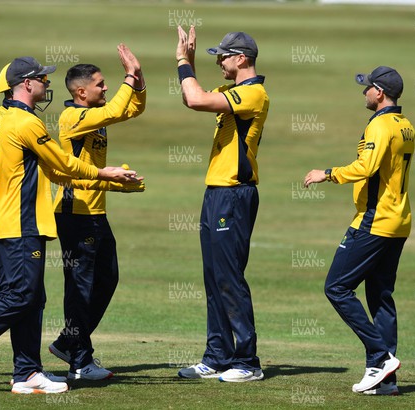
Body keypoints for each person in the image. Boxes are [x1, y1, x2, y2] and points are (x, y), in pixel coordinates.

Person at [0, 56, 139, 394]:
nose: (47, 84)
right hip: (16, 223)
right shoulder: (27, 124)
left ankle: (27, 373)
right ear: (26, 84)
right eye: (42, 79)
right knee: (20, 295)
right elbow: (61, 165)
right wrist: (105, 174)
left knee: (30, 298)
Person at [304, 66, 415, 396]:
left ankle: (380, 358)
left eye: (367, 88)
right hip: (399, 222)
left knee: (337, 287)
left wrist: (327, 173)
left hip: (374, 222)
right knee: (380, 297)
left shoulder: (379, 126)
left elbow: (366, 167)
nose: (363, 92)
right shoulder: (406, 125)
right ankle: (386, 380)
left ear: (379, 93)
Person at [174, 26, 269, 383]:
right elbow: (191, 97)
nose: (220, 62)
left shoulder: (254, 94)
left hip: (234, 193)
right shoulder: (234, 91)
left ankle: (247, 360)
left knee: (229, 278)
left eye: (223, 56)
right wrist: (190, 62)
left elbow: (197, 100)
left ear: (241, 58)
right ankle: (217, 355)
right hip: (216, 192)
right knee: (213, 278)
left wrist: (184, 61)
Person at [48, 43, 146, 381]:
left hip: (94, 212)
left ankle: (67, 342)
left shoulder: (95, 116)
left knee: (107, 278)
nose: (106, 88)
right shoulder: (72, 117)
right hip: (74, 214)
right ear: (81, 91)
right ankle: (80, 360)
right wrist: (129, 76)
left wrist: (139, 79)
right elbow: (118, 109)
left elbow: (130, 110)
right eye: (101, 84)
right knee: (81, 287)